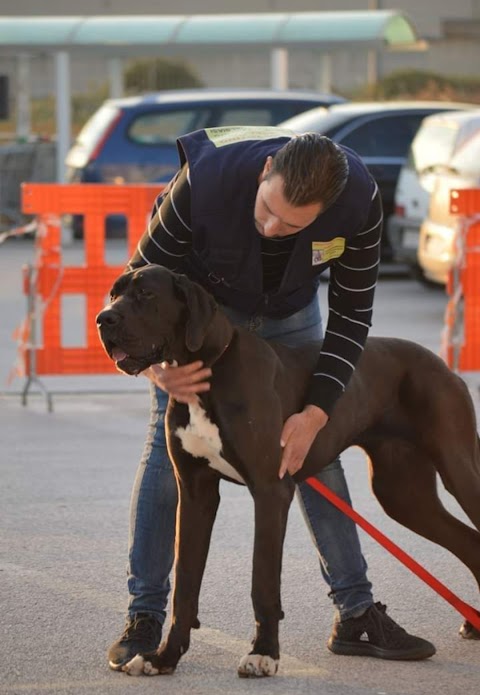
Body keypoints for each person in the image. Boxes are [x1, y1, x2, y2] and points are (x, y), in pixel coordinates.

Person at [107, 126, 436, 669]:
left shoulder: (358, 203)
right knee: (168, 464)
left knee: (313, 455)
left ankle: (356, 613)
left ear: (326, 210)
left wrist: (316, 410)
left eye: (294, 224)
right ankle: (145, 615)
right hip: (205, 314)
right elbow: (130, 287)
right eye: (267, 211)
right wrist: (158, 371)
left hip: (290, 313)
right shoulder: (204, 183)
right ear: (264, 174)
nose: (273, 228)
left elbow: (352, 319)